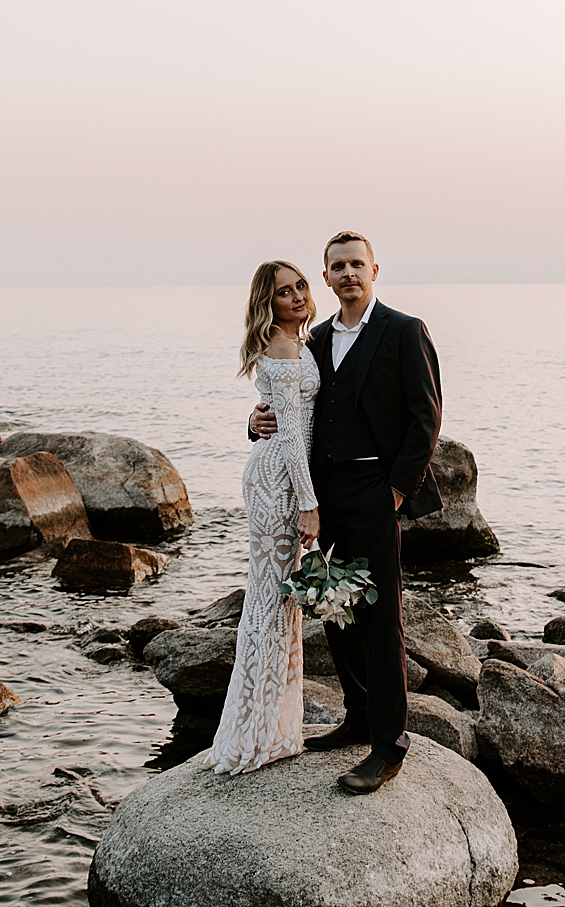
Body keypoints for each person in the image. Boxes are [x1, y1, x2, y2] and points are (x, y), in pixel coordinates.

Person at [249, 230, 442, 795]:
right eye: (338, 266)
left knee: (381, 619)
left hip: (376, 490)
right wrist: (256, 423)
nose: (349, 273)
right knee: (335, 607)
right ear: (327, 277)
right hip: (322, 491)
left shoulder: (404, 331)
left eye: (358, 263)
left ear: (374, 270)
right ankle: (357, 717)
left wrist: (396, 493)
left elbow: (425, 417)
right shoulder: (313, 342)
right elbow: (292, 410)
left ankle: (388, 745)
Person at [207, 259, 323, 775]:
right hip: (279, 482)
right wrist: (309, 503)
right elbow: (294, 437)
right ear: (266, 302)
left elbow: (282, 417)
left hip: (275, 471)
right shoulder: (280, 347)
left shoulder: (302, 340)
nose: (297, 296)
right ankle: (254, 732)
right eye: (283, 292)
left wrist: (255, 422)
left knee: (277, 602)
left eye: (300, 286)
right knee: (272, 600)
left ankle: (274, 725)